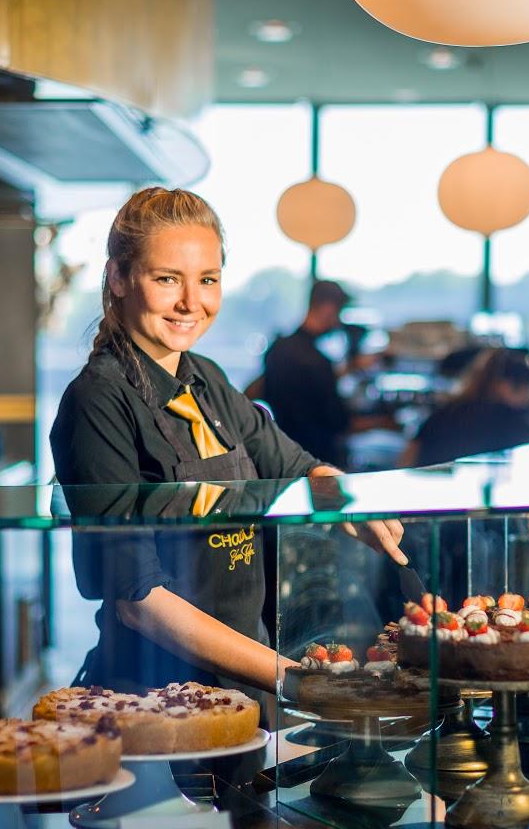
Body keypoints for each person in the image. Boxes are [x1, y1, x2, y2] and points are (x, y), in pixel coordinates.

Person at [50, 187, 406, 696]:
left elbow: (298, 466)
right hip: (157, 701)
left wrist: (351, 502)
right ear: (119, 277)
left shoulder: (207, 379)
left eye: (208, 280)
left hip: (247, 683)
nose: (191, 303)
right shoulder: (98, 400)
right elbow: (136, 599)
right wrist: (297, 681)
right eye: (167, 278)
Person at [245, 280, 354, 468]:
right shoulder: (318, 362)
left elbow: (251, 392)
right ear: (328, 309)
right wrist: (385, 423)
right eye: (339, 312)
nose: (338, 321)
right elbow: (340, 423)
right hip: (318, 461)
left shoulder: (278, 349)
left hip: (282, 456)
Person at [399, 347, 529, 468]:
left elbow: (406, 461)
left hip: (434, 498)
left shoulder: (446, 413)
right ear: (504, 385)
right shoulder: (523, 425)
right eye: (523, 386)